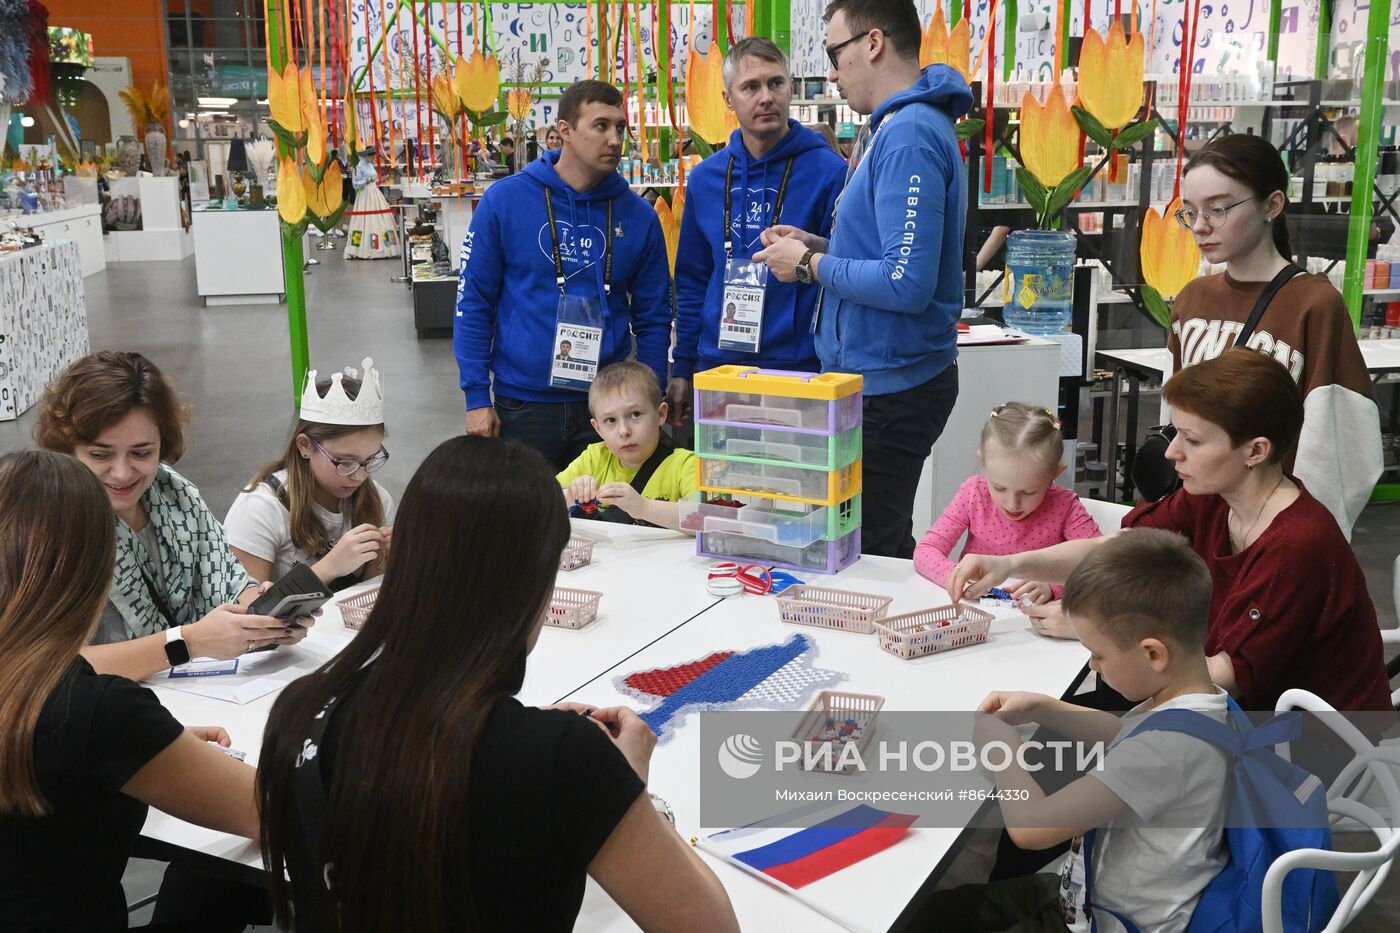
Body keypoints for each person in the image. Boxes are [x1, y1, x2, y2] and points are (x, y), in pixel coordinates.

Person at [257, 436, 739, 932]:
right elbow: (711, 926)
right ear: (533, 581)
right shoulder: (564, 759)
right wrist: (624, 791)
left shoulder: (300, 709)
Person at [948, 350, 1392, 715]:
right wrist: (1009, 563)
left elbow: (1228, 675)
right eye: (1174, 434)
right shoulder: (1213, 494)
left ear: (1255, 451)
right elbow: (1119, 547)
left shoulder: (1297, 544)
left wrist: (1101, 639)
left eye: (1192, 440)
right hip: (1221, 697)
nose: (1173, 453)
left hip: (1303, 736)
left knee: (1055, 753)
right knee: (1051, 726)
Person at [0, 449, 261, 932]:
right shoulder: (93, 710)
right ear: (96, 567)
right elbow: (267, 811)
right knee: (224, 879)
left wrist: (157, 747)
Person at [924, 530, 1230, 932]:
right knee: (936, 913)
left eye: (1098, 654)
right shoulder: (1198, 700)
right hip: (1080, 893)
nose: (1093, 667)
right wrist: (1045, 707)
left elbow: (1032, 829)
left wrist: (1004, 752)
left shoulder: (1168, 750)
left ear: (1153, 654)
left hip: (1105, 922)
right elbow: (1126, 733)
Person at [754, 0, 973, 558]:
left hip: (892, 387)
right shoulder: (898, 128)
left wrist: (809, 266)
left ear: (872, 44)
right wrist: (820, 246)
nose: (831, 71)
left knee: (870, 549)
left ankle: (895, 638)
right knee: (866, 540)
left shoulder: (910, 135)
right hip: (878, 379)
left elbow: (906, 282)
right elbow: (888, 254)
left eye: (834, 53)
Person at [34, 351, 305, 683]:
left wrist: (266, 618)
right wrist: (187, 642)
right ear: (66, 448)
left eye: (142, 452)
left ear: (164, 442)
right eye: (99, 454)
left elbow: (227, 579)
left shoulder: (177, 495)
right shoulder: (50, 527)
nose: (121, 472)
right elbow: (47, 666)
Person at [455, 80, 673, 472]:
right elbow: (473, 302)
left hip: (609, 409)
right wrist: (476, 396)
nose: (614, 139)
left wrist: (648, 401)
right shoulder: (505, 202)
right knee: (528, 522)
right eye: (601, 125)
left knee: (607, 522)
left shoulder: (639, 217)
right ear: (565, 132)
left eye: (621, 127)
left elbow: (655, 316)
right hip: (523, 406)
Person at [1171, 134, 1381, 538]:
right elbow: (1177, 417)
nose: (1200, 226)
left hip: (1275, 523)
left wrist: (1307, 536)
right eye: (1189, 212)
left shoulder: (1314, 304)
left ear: (1272, 204)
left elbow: (1338, 440)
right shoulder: (1192, 300)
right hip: (1201, 517)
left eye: (1217, 209)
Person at [670, 37, 847, 423]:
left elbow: (846, 265)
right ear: (728, 98)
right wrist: (683, 365)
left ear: (789, 87)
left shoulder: (829, 172)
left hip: (801, 367)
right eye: (750, 87)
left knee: (793, 481)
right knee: (721, 481)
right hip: (720, 366)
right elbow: (692, 280)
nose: (765, 97)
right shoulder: (705, 179)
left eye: (775, 83)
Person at [226, 360, 393, 589]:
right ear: (305, 446)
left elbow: (371, 597)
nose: (359, 476)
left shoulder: (378, 501)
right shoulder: (261, 508)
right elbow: (247, 614)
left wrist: (383, 557)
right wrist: (330, 567)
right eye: (345, 462)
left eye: (370, 460)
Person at [914, 403, 1100, 603]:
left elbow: (1104, 563)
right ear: (983, 462)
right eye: (999, 488)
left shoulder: (1065, 505)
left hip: (1034, 619)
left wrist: (1055, 586)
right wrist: (956, 576)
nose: (1012, 504)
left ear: (1054, 474)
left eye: (1029, 492)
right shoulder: (974, 493)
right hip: (975, 611)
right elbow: (926, 551)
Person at [558, 361, 697, 529]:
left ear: (660, 414)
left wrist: (643, 508)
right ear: (598, 428)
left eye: (635, 414)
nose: (624, 431)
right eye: (611, 420)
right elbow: (539, 502)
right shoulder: (594, 458)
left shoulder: (685, 464)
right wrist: (570, 495)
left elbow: (705, 520)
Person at [344, 146, 401, 259]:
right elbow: (355, 184)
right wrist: (366, 181)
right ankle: (362, 249)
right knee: (365, 221)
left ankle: (386, 247)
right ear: (367, 155)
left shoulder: (370, 165)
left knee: (381, 220)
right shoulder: (359, 166)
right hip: (365, 196)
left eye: (374, 156)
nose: (373, 159)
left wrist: (381, 179)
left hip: (375, 194)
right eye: (372, 156)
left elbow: (374, 180)